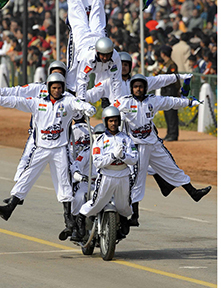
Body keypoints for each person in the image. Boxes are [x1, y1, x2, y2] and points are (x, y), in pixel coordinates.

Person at [7, 0, 161, 82]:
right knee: (74, 64)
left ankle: (106, 93)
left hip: (98, 27)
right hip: (78, 32)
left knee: (106, 59)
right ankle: (74, 95)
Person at [0, 73, 96, 234]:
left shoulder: (68, 101)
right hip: (41, 148)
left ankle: (68, 220)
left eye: (59, 88)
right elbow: (17, 101)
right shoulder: (37, 102)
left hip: (60, 149)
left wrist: (89, 108)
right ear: (48, 88)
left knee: (64, 182)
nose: (57, 90)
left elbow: (79, 103)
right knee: (27, 175)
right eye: (54, 88)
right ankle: (9, 207)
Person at [113, 74, 211, 226]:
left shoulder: (152, 101)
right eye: (135, 86)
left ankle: (193, 193)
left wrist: (190, 102)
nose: (138, 89)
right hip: (136, 147)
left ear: (145, 88)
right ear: (131, 88)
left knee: (171, 167)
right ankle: (134, 216)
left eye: (141, 86)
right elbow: (111, 113)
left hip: (153, 143)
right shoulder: (124, 102)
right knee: (137, 180)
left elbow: (171, 102)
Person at [72, 106, 138, 241]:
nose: (113, 123)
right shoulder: (99, 140)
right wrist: (113, 156)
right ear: (105, 121)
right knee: (97, 203)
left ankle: (122, 223)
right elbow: (98, 162)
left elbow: (134, 158)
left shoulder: (126, 139)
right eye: (110, 121)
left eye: (115, 121)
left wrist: (124, 156)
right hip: (107, 175)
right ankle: (80, 219)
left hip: (123, 175)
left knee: (124, 205)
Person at [156, 45, 181, 141]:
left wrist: (177, 90)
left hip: (171, 91)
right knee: (167, 113)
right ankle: (169, 133)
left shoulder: (171, 65)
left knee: (171, 114)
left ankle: (173, 134)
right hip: (165, 90)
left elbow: (175, 79)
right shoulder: (165, 65)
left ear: (163, 54)